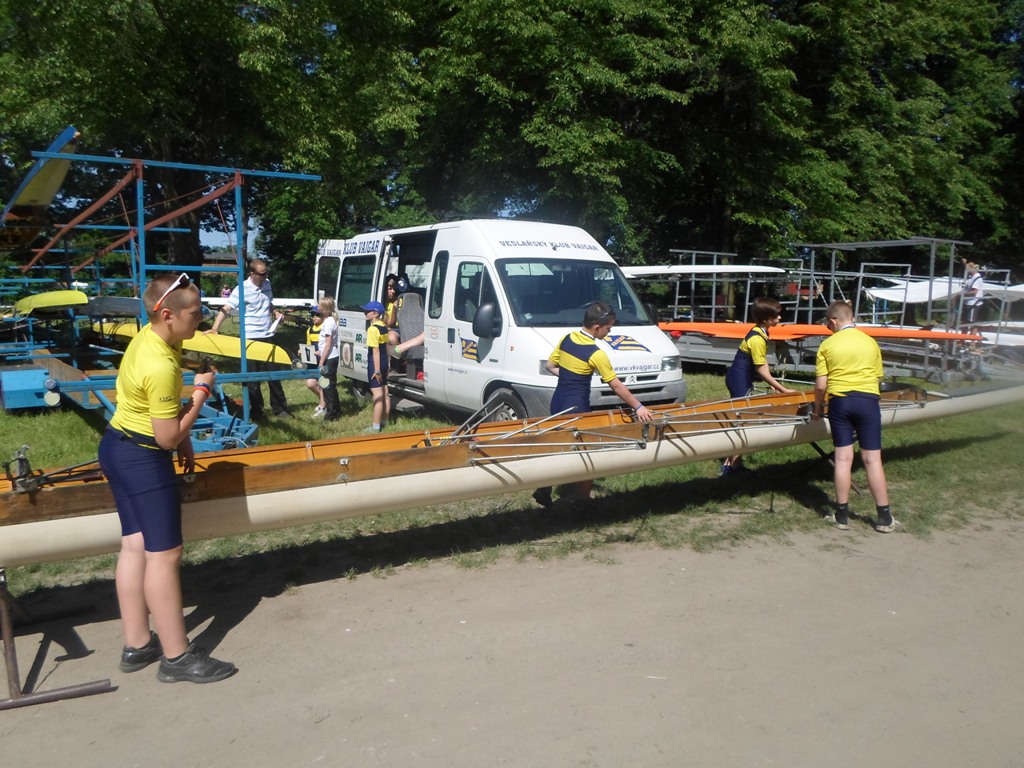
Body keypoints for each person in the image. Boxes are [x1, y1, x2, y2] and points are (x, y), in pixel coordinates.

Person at [98, 273, 236, 684]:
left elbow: (161, 419)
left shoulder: (153, 339)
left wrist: (183, 440)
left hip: (117, 446)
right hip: (143, 458)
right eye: (195, 312)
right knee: (164, 554)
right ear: (168, 315)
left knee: (134, 545)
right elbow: (166, 436)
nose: (202, 318)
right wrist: (201, 393)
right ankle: (177, 657)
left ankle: (137, 644)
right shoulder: (159, 363)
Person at [533, 301, 654, 508]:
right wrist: (639, 406)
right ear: (597, 327)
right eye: (609, 328)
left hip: (558, 401)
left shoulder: (567, 338)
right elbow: (616, 385)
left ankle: (544, 487)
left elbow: (550, 365)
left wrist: (571, 377)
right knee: (589, 451)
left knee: (560, 445)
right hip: (576, 407)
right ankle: (582, 498)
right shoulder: (596, 353)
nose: (610, 332)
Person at [812, 300, 898, 533]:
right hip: (868, 401)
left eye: (828, 325)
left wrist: (818, 408)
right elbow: (878, 377)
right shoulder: (870, 342)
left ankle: (841, 516)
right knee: (872, 460)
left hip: (840, 401)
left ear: (833, 321)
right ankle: (884, 517)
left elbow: (820, 386)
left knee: (843, 459)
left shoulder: (827, 345)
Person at [206, 259, 291, 420]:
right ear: (252, 274)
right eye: (262, 274)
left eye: (266, 272)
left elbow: (269, 303)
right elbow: (227, 308)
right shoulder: (242, 289)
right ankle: (257, 411)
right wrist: (215, 328)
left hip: (268, 335)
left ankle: (280, 409)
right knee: (252, 378)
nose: (265, 276)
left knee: (274, 376)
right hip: (250, 338)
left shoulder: (267, 284)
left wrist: (276, 312)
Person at [720, 297, 796, 475]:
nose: (779, 318)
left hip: (742, 377)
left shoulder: (762, 332)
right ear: (765, 318)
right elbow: (761, 370)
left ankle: (733, 464)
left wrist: (775, 384)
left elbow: (762, 363)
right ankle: (729, 466)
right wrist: (784, 390)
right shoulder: (757, 338)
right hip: (738, 379)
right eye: (776, 316)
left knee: (742, 420)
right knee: (742, 421)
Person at [362, 300, 390, 433]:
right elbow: (386, 348)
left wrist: (377, 370)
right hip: (384, 362)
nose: (365, 313)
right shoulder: (384, 326)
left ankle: (375, 426)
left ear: (375, 313)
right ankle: (385, 420)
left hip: (376, 364)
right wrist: (387, 365)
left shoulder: (372, 329)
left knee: (377, 395)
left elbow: (375, 351)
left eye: (367, 311)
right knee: (385, 393)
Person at [316, 297, 341, 421]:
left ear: (325, 309)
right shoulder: (329, 321)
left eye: (319, 305)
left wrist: (321, 361)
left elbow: (328, 343)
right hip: (330, 355)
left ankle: (331, 414)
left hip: (329, 358)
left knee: (328, 386)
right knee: (330, 385)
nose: (317, 307)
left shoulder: (328, 322)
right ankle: (336, 410)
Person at [304, 306, 326, 419]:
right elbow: (308, 345)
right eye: (313, 315)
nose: (315, 317)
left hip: (323, 360)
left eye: (317, 315)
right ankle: (324, 400)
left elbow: (329, 344)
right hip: (312, 361)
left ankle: (323, 406)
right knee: (310, 384)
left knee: (323, 384)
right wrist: (303, 351)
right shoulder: (310, 330)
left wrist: (320, 352)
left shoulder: (325, 328)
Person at [961, 259, 986, 329]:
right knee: (964, 322)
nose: (967, 271)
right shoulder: (972, 277)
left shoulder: (977, 278)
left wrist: (963, 295)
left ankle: (972, 336)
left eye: (968, 270)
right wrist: (965, 263)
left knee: (971, 323)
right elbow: (967, 268)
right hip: (968, 302)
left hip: (973, 303)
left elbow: (974, 292)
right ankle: (963, 336)